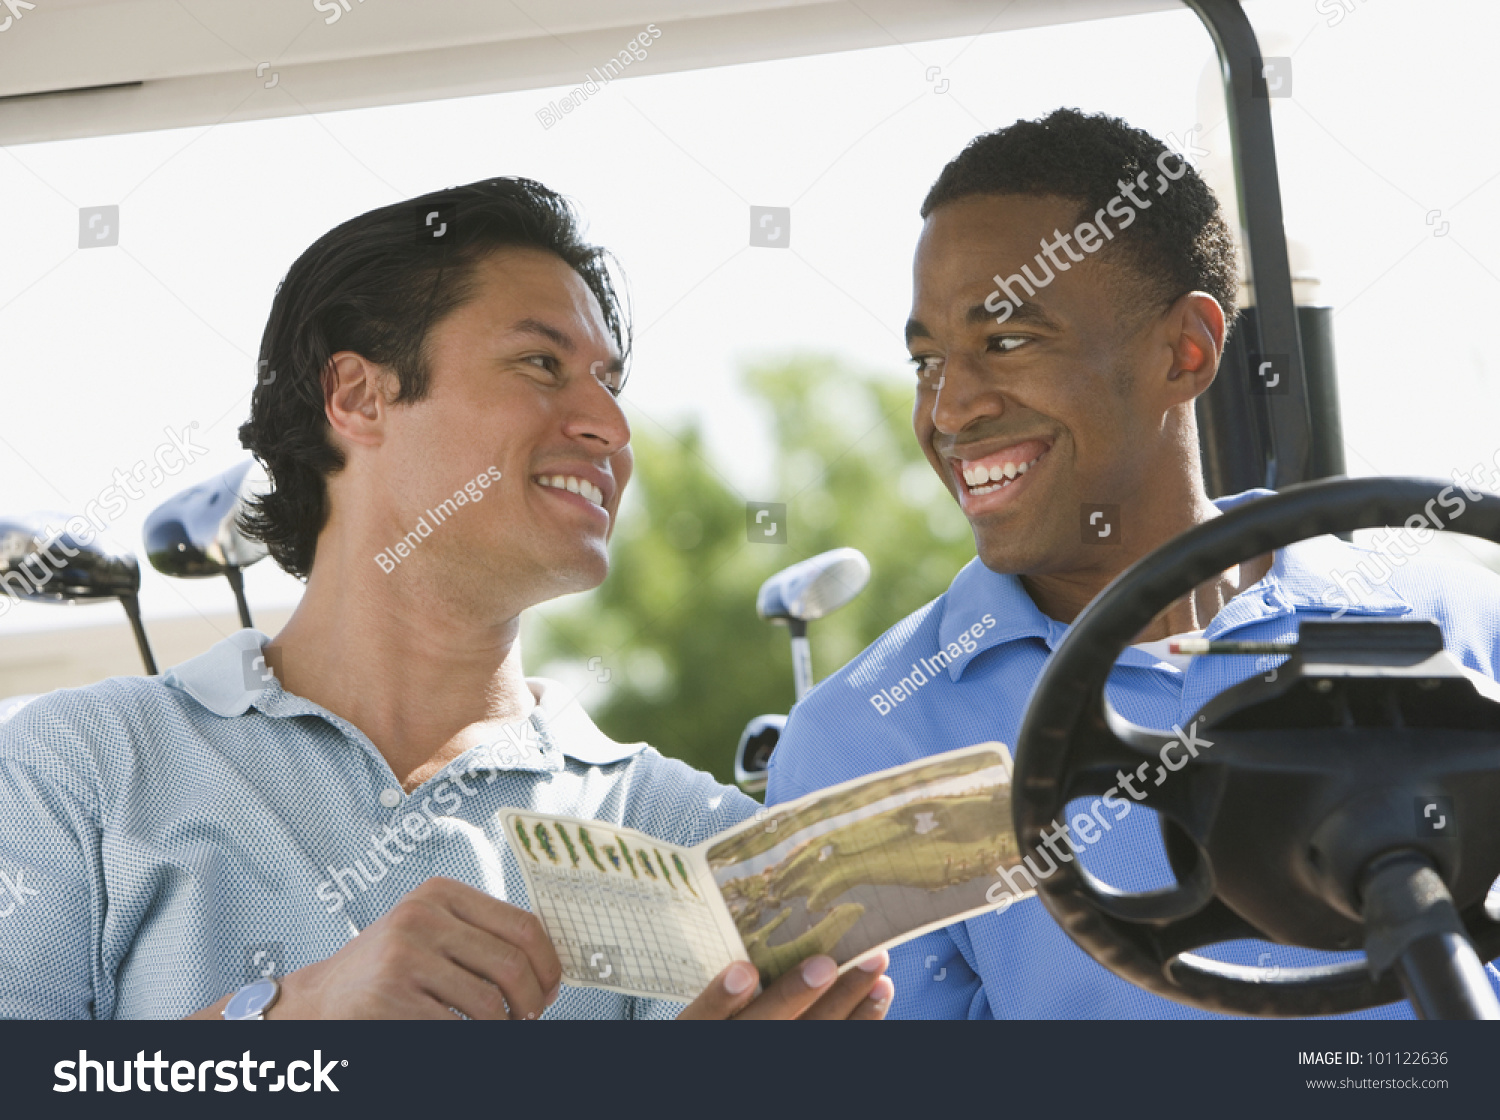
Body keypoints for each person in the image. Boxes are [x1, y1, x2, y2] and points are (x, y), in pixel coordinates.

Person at [0, 177, 893, 1022]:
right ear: (356, 395)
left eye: (611, 386)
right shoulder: (79, 767)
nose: (612, 429)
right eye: (542, 363)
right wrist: (298, 1014)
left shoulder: (694, 839)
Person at [765, 108, 1500, 1019]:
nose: (948, 411)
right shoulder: (858, 747)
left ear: (1184, 351)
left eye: (1006, 342)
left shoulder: (1458, 618)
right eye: (926, 361)